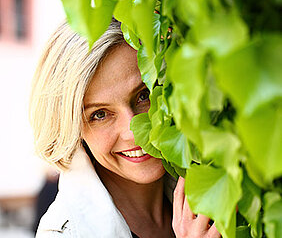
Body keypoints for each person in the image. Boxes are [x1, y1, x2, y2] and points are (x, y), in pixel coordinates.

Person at [29, 18, 221, 238]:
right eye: (99, 114)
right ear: (73, 128)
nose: (133, 133)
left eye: (143, 96)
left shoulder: (211, 184)